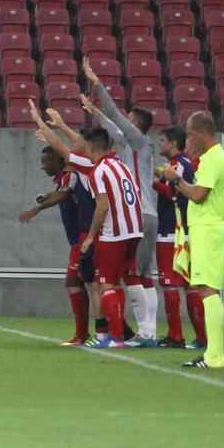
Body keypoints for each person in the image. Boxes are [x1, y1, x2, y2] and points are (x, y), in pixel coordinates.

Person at [30, 102, 143, 347]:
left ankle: (112, 337)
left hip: (114, 233)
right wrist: (60, 125)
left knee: (104, 284)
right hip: (135, 230)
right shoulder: (120, 163)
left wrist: (41, 123)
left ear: (91, 147)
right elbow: (77, 145)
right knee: (112, 282)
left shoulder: (96, 167)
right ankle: (119, 334)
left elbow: (64, 150)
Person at [83, 57, 160, 346]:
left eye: (128, 119)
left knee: (129, 277)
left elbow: (116, 119)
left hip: (134, 215)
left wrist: (97, 84)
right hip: (146, 214)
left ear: (135, 125)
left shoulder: (138, 142)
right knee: (143, 273)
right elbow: (112, 131)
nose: (123, 121)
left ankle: (145, 333)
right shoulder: (131, 148)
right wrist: (94, 112)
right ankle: (148, 331)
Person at [161, 111, 224, 370]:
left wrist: (176, 179)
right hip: (207, 229)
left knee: (207, 290)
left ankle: (215, 354)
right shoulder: (210, 158)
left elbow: (199, 195)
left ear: (202, 132)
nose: (188, 139)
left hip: (209, 229)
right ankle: (213, 353)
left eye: (190, 134)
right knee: (205, 289)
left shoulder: (213, 160)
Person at [20, 145, 97, 347]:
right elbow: (61, 193)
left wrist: (37, 208)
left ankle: (87, 334)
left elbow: (63, 195)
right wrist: (45, 197)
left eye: (46, 161)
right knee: (84, 283)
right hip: (78, 238)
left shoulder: (70, 174)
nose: (43, 166)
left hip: (83, 237)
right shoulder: (65, 177)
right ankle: (101, 332)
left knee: (76, 283)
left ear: (60, 161)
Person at [153, 126, 206, 349]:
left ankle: (177, 336)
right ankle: (201, 338)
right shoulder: (181, 164)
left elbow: (175, 194)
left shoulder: (179, 166)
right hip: (181, 230)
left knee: (171, 284)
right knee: (188, 285)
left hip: (173, 231)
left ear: (173, 143)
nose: (159, 144)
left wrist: (152, 182)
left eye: (162, 140)